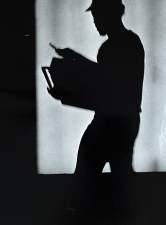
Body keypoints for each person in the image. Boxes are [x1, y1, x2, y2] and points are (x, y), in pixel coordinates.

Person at [48, 0, 145, 214]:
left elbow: (106, 85)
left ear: (110, 14)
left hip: (109, 122)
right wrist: (75, 58)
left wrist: (68, 93)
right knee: (120, 179)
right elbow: (111, 82)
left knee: (86, 180)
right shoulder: (131, 42)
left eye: (97, 16)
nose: (95, 22)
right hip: (124, 120)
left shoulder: (112, 47)